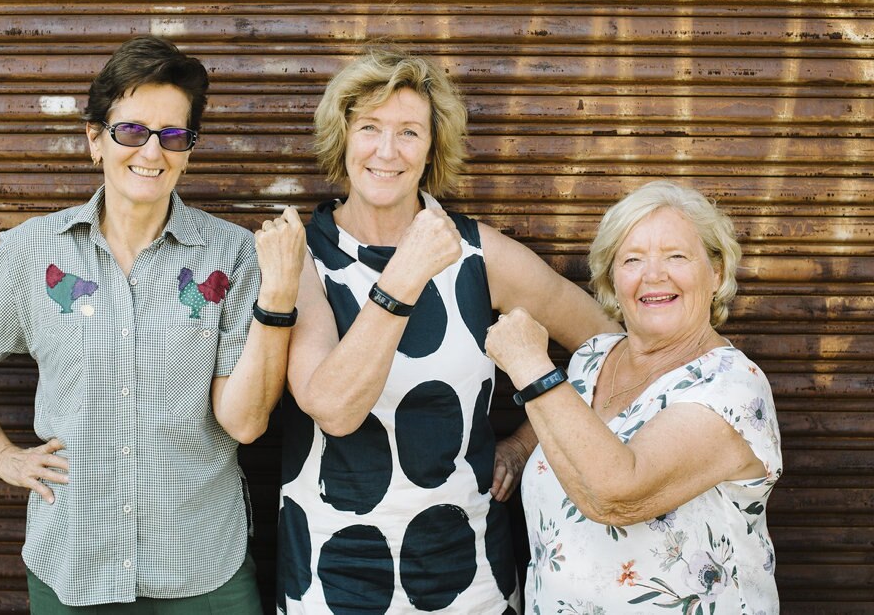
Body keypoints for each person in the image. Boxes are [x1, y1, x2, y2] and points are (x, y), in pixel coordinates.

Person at [0, 35, 305, 611]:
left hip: (202, 570)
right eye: (131, 131)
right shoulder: (34, 253)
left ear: (189, 149)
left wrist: (279, 298)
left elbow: (245, 423)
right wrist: (0, 454)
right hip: (72, 566)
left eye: (173, 135)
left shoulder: (234, 257)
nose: (152, 152)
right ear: (95, 140)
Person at [277, 47, 618, 613]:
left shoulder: (479, 255)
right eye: (370, 128)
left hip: (470, 575)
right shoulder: (305, 257)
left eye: (409, 131)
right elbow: (334, 408)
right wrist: (406, 273)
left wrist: (524, 443)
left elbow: (606, 347)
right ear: (343, 138)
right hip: (331, 576)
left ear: (432, 147)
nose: (387, 151)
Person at [485, 180, 782, 613]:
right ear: (611, 279)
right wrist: (517, 446)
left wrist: (531, 368)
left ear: (716, 272)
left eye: (676, 256)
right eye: (632, 259)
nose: (654, 274)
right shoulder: (593, 359)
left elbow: (615, 494)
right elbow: (575, 423)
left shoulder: (733, 388)